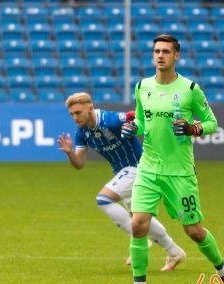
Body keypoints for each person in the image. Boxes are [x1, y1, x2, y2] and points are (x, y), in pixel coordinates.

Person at [116, 34, 224, 284]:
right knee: (138, 224)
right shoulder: (142, 86)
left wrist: (192, 128)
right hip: (148, 169)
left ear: (176, 56)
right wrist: (132, 128)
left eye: (165, 51)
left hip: (180, 172)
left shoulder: (190, 88)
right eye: (156, 51)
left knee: (194, 231)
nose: (159, 55)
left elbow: (212, 123)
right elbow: (141, 119)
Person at [58, 92, 186, 271]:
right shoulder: (82, 133)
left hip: (139, 167)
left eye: (78, 112)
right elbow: (79, 164)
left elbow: (139, 117)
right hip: (123, 172)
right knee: (140, 218)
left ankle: (138, 240)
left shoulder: (111, 120)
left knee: (103, 199)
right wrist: (70, 153)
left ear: (90, 108)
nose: (75, 117)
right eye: (72, 114)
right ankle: (175, 252)